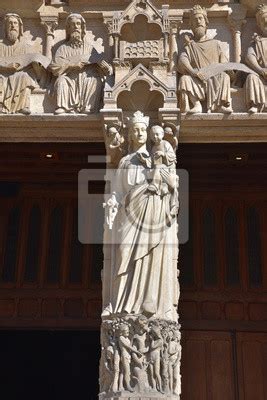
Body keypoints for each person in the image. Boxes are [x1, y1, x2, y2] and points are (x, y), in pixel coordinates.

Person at [102, 111, 179, 321]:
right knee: (123, 252)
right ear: (130, 135)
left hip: (152, 214)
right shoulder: (125, 161)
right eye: (135, 130)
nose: (140, 133)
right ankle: (121, 303)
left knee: (150, 255)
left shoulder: (157, 157)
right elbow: (117, 191)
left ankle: (149, 301)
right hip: (129, 216)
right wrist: (111, 202)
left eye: (143, 129)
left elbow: (169, 182)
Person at [50, 13, 112, 114]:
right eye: (72, 25)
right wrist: (72, 65)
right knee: (61, 81)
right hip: (69, 79)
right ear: (68, 29)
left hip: (86, 78)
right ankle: (63, 106)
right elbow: (54, 67)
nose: (76, 27)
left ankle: (88, 107)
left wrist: (106, 68)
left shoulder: (89, 48)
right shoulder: (62, 48)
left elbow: (101, 64)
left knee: (95, 80)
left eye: (78, 24)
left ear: (83, 28)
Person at [177, 5, 232, 114]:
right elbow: (182, 61)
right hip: (197, 79)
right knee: (184, 79)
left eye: (200, 18)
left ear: (206, 22)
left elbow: (224, 63)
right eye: (195, 20)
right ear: (191, 25)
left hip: (214, 77)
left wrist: (220, 69)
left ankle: (219, 105)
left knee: (225, 76)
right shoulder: (189, 46)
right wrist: (194, 72)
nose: (198, 21)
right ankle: (197, 104)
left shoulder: (215, 44)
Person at [0, 13, 44, 114]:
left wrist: (36, 65)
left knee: (25, 76)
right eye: (10, 23)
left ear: (20, 28)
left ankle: (22, 105)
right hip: (3, 74)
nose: (13, 26)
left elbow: (37, 71)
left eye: (15, 23)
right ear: (5, 28)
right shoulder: (0, 45)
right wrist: (6, 67)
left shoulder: (25, 47)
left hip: (19, 76)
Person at [245, 4, 267, 113]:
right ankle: (256, 104)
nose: (266, 20)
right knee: (251, 77)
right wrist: (260, 70)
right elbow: (249, 57)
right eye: (263, 19)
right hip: (262, 75)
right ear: (259, 24)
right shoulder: (257, 42)